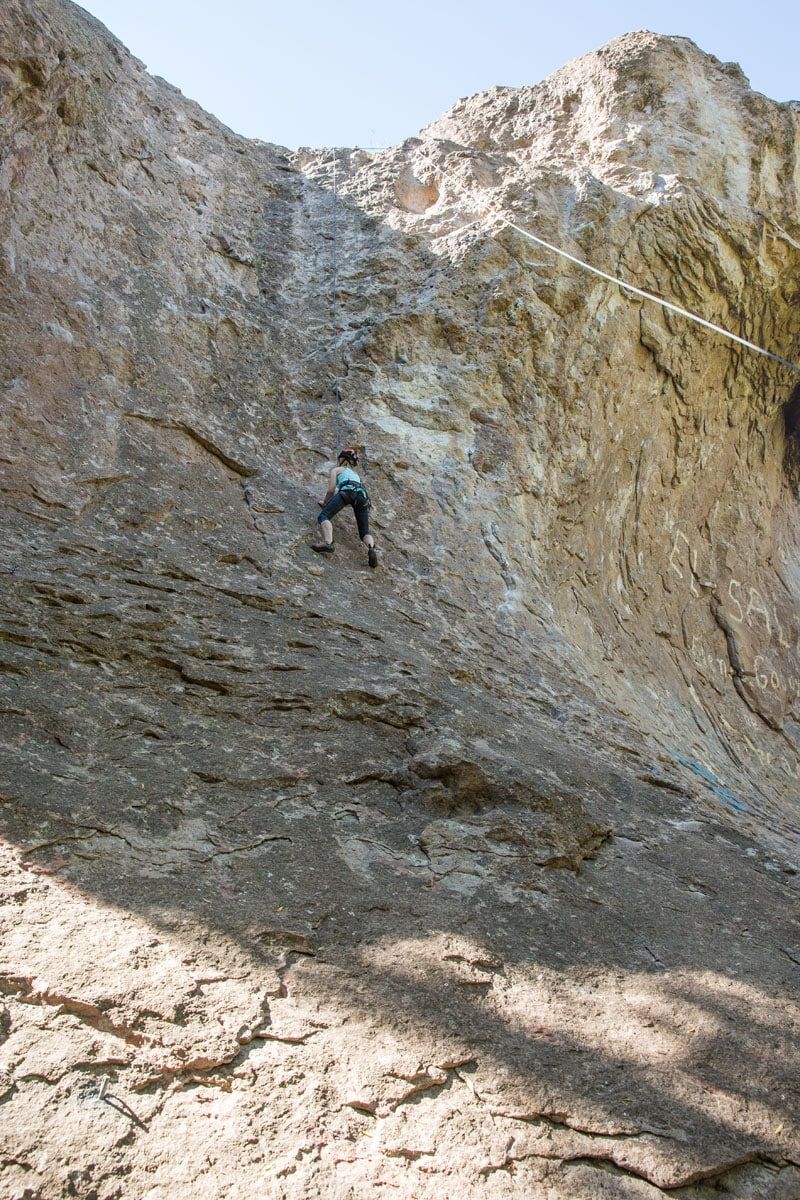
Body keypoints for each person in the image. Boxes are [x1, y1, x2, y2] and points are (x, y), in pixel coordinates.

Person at [313, 447, 378, 568]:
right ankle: (371, 549)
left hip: (347, 492)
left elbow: (331, 490)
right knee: (364, 532)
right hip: (363, 496)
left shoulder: (337, 470)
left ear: (343, 459)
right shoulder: (356, 476)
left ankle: (328, 542)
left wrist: (325, 503)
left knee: (324, 516)